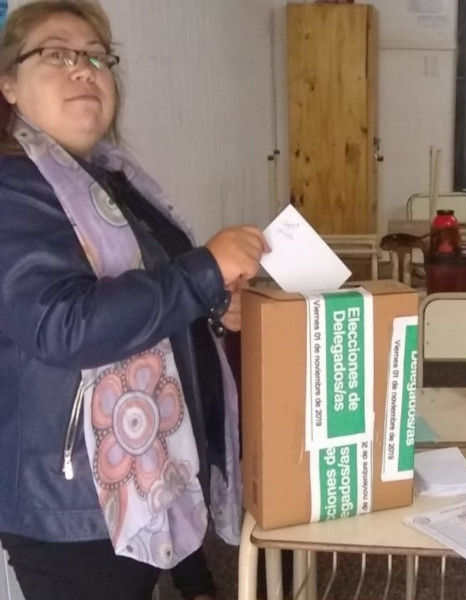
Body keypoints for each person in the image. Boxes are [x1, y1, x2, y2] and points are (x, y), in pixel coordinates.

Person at [0, 2, 267, 599]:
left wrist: (212, 305)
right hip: (72, 503)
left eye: (97, 56)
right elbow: (64, 324)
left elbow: (149, 302)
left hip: (139, 475)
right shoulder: (12, 187)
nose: (83, 68)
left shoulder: (111, 180)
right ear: (9, 84)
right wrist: (204, 271)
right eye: (56, 53)